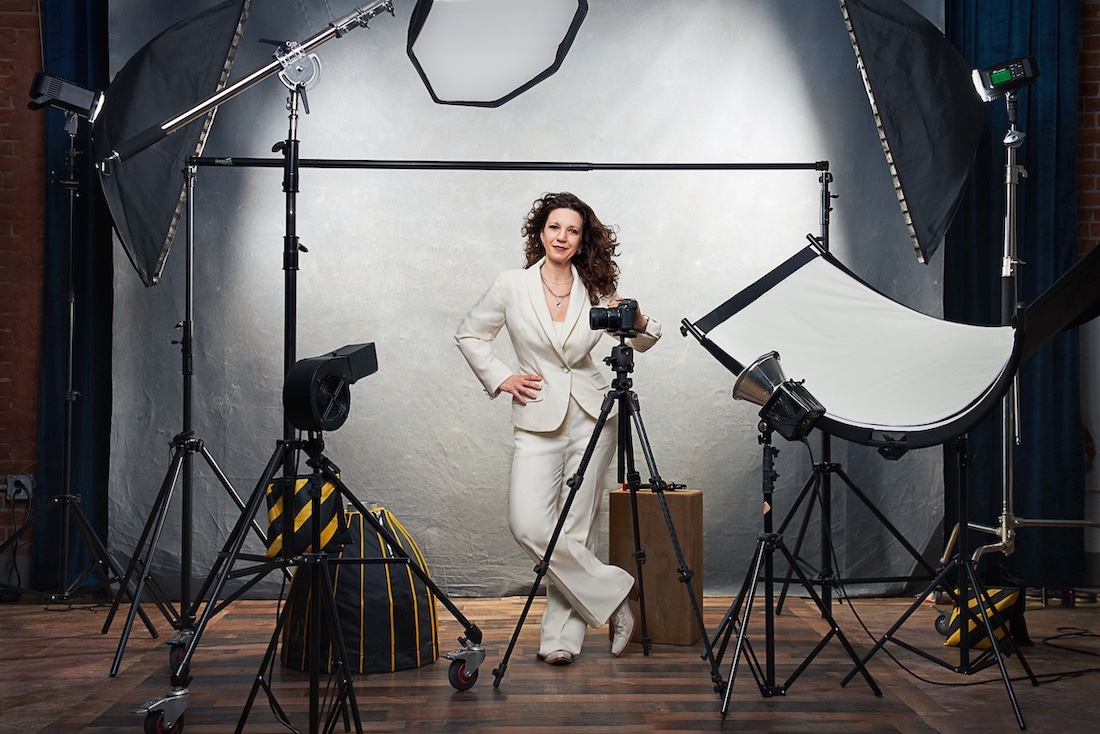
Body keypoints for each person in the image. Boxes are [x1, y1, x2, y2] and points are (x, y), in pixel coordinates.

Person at [455, 192, 662, 665]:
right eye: (554, 228)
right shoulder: (511, 285)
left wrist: (640, 316)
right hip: (537, 416)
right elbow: (470, 333)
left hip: (593, 417)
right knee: (528, 522)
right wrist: (502, 377)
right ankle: (614, 595)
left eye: (572, 230)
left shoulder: (594, 288)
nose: (562, 237)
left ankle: (561, 640)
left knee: (576, 528)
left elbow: (645, 338)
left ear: (582, 239)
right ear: (540, 232)